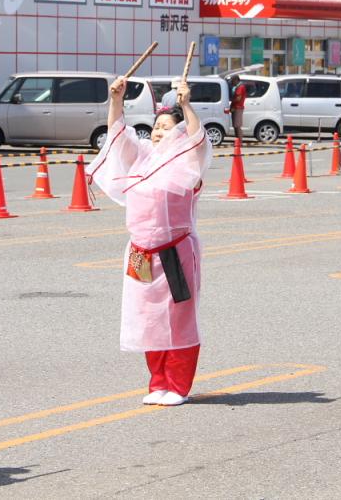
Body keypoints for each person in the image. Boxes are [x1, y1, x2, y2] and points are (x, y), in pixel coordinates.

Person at [88, 76, 211, 405]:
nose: (159, 131)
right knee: (146, 317)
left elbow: (199, 140)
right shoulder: (142, 156)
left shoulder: (187, 160)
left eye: (168, 126)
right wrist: (116, 100)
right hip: (141, 252)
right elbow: (116, 136)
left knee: (178, 317)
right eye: (156, 125)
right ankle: (158, 382)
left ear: (180, 132)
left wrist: (186, 105)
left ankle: (178, 384)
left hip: (175, 252)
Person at [228, 75, 246, 143]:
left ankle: (239, 142)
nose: (231, 83)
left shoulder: (240, 87)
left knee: (237, 125)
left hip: (237, 108)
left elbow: (238, 98)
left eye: (232, 81)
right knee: (235, 125)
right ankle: (237, 141)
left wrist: (232, 102)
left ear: (236, 80)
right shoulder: (238, 87)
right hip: (235, 107)